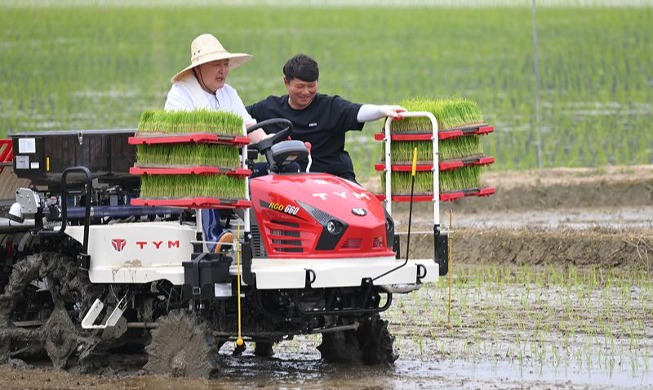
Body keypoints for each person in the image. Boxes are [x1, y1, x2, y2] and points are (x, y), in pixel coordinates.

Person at [165, 33, 265, 252]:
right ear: (199, 69)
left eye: (225, 64)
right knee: (206, 174)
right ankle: (213, 237)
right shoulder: (180, 93)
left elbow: (248, 125)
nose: (223, 70)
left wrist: (271, 146)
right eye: (216, 65)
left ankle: (268, 238)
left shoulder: (229, 93)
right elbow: (182, 134)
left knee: (272, 172)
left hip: (229, 164)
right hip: (191, 166)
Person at [246, 53, 405, 183]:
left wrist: (382, 110)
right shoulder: (269, 107)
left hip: (335, 179)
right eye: (300, 86)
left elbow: (358, 111)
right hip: (290, 182)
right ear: (286, 83)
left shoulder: (330, 106)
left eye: (311, 86)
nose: (306, 92)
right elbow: (239, 116)